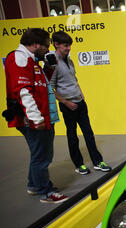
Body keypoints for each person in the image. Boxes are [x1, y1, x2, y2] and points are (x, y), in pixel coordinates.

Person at [4, 28, 68, 203]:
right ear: (35, 44)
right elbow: (23, 91)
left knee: (38, 153)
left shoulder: (31, 61)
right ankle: (45, 192)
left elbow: (41, 86)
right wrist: (36, 118)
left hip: (42, 116)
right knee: (42, 156)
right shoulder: (20, 58)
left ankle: (34, 185)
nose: (47, 50)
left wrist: (49, 68)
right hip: (33, 119)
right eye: (46, 46)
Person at [50, 31, 111, 175]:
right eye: (66, 45)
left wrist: (81, 95)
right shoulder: (52, 64)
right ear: (56, 44)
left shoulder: (69, 61)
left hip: (80, 103)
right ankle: (79, 165)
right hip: (68, 106)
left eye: (70, 45)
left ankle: (97, 162)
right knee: (72, 136)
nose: (69, 48)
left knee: (89, 133)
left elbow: (74, 80)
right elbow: (50, 88)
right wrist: (66, 102)